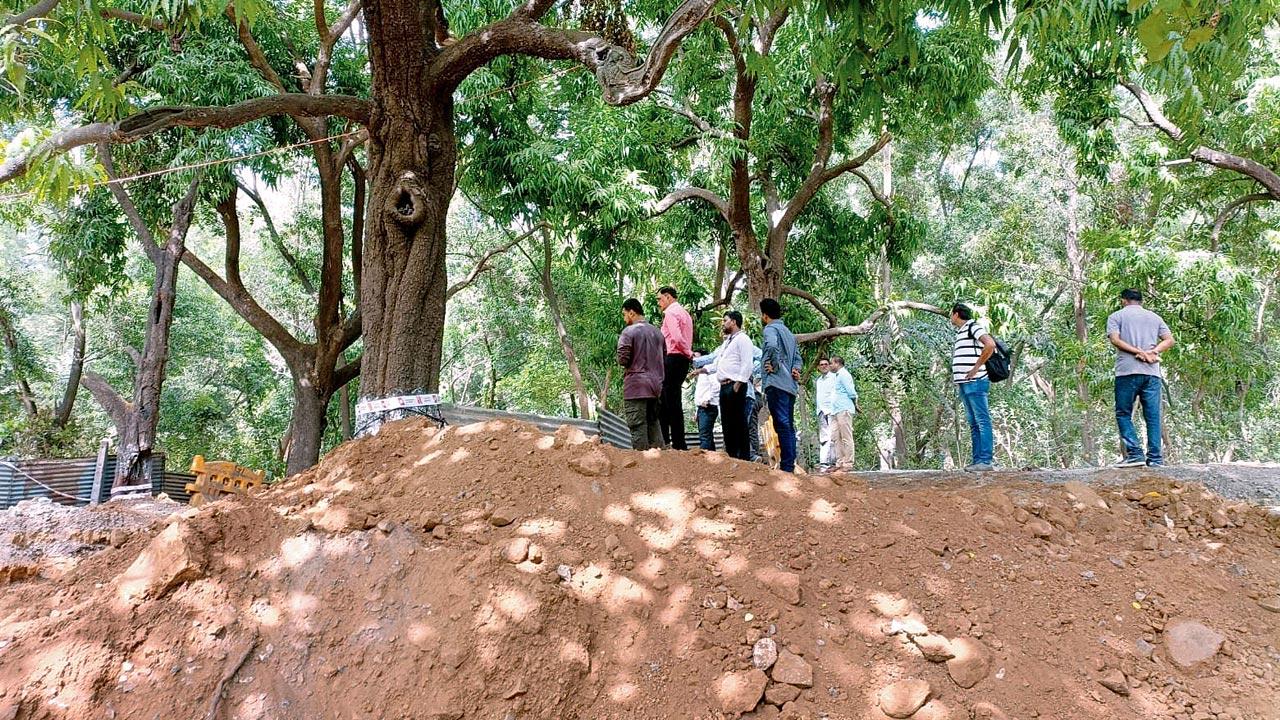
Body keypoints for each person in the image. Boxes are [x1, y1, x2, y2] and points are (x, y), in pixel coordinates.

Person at [1107, 288, 1174, 467]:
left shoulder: (1116, 316)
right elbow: (1169, 340)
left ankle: (1135, 454)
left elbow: (1115, 340)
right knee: (1152, 416)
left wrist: (1139, 352)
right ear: (1141, 301)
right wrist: (1153, 352)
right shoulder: (1154, 317)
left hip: (1127, 372)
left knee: (1123, 413)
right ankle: (1156, 458)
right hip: (1152, 373)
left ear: (1124, 300)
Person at [692, 331, 763, 456]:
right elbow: (714, 361)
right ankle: (735, 458)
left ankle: (747, 459)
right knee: (729, 428)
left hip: (741, 389)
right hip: (726, 388)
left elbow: (761, 357)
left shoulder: (743, 340)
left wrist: (746, 376)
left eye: (726, 322)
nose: (724, 333)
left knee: (741, 427)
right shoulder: (724, 347)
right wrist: (697, 365)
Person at [950, 303, 996, 472]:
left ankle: (985, 460)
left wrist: (976, 367)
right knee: (974, 423)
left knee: (982, 420)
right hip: (964, 382)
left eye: (951, 314)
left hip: (976, 380)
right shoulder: (961, 331)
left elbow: (989, 344)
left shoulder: (973, 326)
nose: (950, 318)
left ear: (956, 314)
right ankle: (978, 461)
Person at [759, 298, 803, 473]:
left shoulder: (770, 329)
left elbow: (770, 345)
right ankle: (789, 464)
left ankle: (786, 467)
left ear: (764, 315)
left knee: (782, 425)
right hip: (790, 385)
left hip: (777, 383)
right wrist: (796, 369)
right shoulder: (789, 333)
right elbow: (798, 358)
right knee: (788, 425)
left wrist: (774, 365)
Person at [616, 298, 665, 451]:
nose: (625, 319)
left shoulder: (629, 331)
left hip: (636, 387)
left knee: (638, 427)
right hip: (656, 387)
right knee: (653, 423)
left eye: (625, 315)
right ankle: (663, 464)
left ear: (632, 312)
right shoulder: (658, 333)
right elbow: (665, 356)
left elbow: (623, 359)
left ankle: (643, 467)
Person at [715, 311, 756, 460]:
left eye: (725, 320)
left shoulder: (743, 339)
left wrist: (738, 384)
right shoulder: (727, 342)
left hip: (734, 385)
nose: (723, 323)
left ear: (733, 322)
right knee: (727, 423)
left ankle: (744, 457)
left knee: (738, 422)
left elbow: (747, 363)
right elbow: (717, 362)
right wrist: (702, 369)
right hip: (724, 385)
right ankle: (732, 456)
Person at [656, 286, 693, 450]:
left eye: (660, 299)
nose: (659, 303)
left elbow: (677, 337)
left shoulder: (671, 313)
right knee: (668, 399)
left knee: (670, 400)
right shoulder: (685, 314)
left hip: (673, 357)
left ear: (668, 297)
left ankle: (677, 443)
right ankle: (669, 440)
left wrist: (688, 352)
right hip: (681, 360)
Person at [829, 356, 858, 470]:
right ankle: (839, 462)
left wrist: (855, 403)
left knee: (846, 436)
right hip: (835, 410)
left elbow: (851, 391)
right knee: (836, 437)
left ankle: (848, 463)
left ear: (837, 363)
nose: (830, 366)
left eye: (831, 363)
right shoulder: (836, 376)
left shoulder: (844, 374)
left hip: (844, 409)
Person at [691, 348, 720, 451]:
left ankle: (705, 457)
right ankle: (712, 457)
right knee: (707, 435)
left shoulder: (709, 371)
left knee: (705, 436)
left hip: (708, 407)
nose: (694, 359)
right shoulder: (701, 374)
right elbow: (700, 393)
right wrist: (697, 411)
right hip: (702, 408)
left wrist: (707, 400)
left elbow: (716, 386)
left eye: (697, 356)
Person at [814, 358, 837, 469]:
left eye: (826, 364)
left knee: (833, 436)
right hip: (821, 411)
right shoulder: (818, 380)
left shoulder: (834, 378)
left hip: (831, 410)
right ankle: (824, 463)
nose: (823, 366)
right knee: (824, 437)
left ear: (829, 366)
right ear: (818, 367)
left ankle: (833, 462)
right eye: (821, 364)